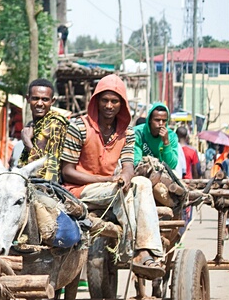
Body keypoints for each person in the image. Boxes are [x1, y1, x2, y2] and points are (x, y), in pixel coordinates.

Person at [60, 74, 166, 280]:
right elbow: (67, 171)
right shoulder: (78, 127)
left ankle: (148, 251)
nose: (109, 105)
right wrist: (105, 180)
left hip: (111, 188)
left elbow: (128, 165)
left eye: (114, 101)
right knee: (123, 195)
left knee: (141, 183)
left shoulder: (127, 132)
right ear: (96, 101)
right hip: (80, 190)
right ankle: (134, 251)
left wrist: (126, 177)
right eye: (105, 100)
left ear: (122, 104)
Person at [0, 78, 68, 202]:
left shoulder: (54, 124)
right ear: (28, 98)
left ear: (52, 101)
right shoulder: (33, 124)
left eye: (45, 99)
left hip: (44, 183)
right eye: (35, 98)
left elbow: (44, 165)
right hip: (26, 180)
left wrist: (27, 142)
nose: (39, 103)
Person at [132, 102, 179, 170]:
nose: (161, 123)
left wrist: (166, 143)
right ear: (150, 120)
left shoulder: (171, 136)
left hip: (164, 174)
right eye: (157, 120)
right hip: (142, 173)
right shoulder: (137, 132)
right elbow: (136, 161)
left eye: (164, 120)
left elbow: (172, 165)